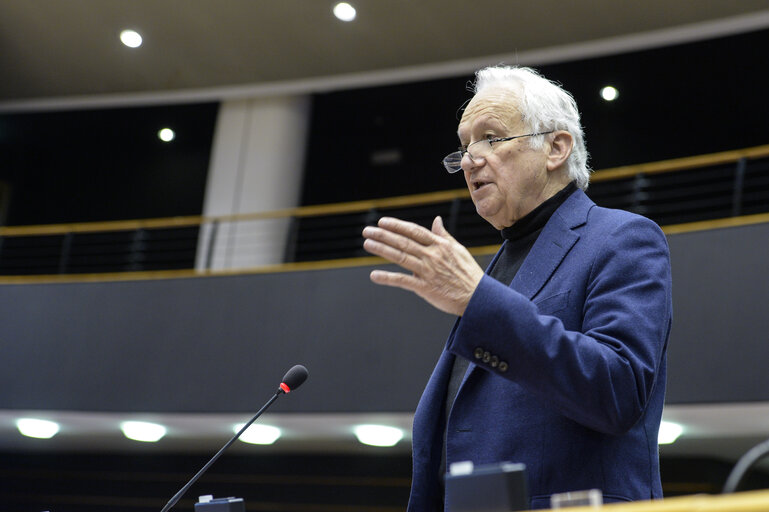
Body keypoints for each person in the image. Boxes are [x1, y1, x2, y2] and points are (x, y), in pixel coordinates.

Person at [362, 65, 672, 511]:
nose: (470, 159)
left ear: (556, 147)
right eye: (464, 146)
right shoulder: (496, 268)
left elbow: (617, 390)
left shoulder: (623, 238)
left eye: (491, 138)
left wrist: (477, 301)